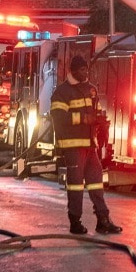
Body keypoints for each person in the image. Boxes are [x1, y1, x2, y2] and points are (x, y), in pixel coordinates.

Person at [50, 55, 122, 235]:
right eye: (82, 70)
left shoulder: (90, 90)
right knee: (75, 185)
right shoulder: (62, 92)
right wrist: (83, 118)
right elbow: (58, 119)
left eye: (86, 70)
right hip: (72, 146)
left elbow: (95, 112)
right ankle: (75, 222)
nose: (85, 73)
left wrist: (101, 123)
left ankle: (103, 220)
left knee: (97, 182)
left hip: (90, 146)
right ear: (73, 71)